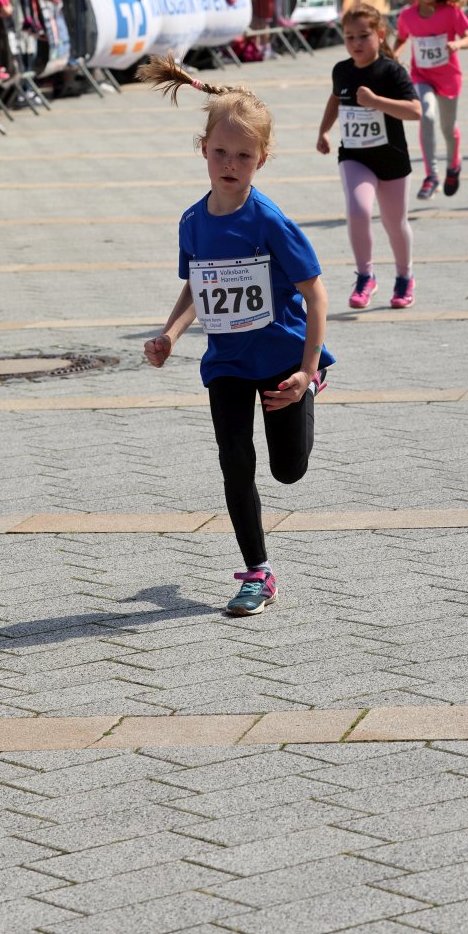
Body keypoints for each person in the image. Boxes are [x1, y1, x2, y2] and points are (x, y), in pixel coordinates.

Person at [140, 56, 333, 618]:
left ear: (261, 160)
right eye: (221, 152)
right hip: (225, 361)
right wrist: (170, 335)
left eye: (244, 156)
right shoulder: (192, 222)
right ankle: (257, 572)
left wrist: (307, 369)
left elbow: (317, 295)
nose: (230, 164)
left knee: (287, 471)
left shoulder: (269, 221)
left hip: (281, 359)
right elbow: (197, 287)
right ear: (203, 149)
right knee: (234, 460)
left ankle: (313, 390)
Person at [316, 3, 421, 309]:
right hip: (354, 156)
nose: (356, 43)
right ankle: (365, 276)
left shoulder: (391, 71)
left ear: (380, 34)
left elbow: (415, 111)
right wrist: (323, 131)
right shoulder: (342, 70)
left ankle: (404, 277)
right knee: (359, 211)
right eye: (349, 37)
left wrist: (376, 102)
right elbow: (335, 98)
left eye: (363, 36)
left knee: (394, 223)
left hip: (391, 159)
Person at [394, 0, 468, 199]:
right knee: (426, 116)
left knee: (448, 127)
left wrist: (457, 44)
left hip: (449, 77)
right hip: (422, 76)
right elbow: (401, 38)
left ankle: (454, 165)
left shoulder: (451, 12)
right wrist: (394, 56)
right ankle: (432, 175)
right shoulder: (407, 15)